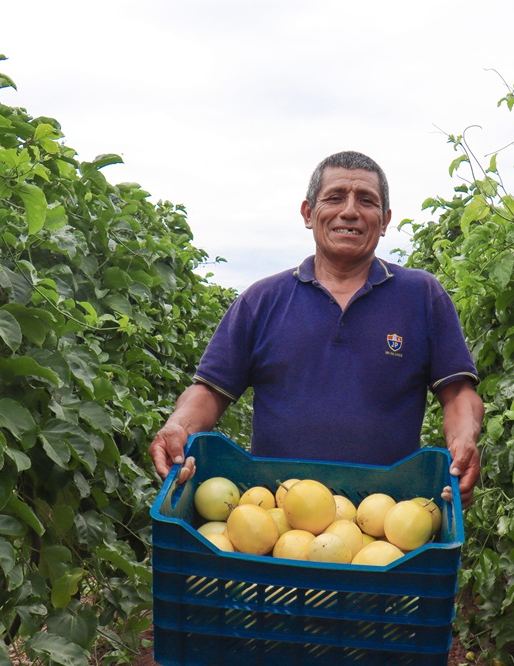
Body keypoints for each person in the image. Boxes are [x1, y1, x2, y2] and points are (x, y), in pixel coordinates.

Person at [148, 151, 485, 507]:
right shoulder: (262, 301)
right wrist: (180, 427)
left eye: (366, 201)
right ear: (309, 213)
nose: (350, 211)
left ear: (384, 220)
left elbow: (459, 394)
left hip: (390, 522)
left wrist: (464, 440)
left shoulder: (421, 296)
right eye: (335, 197)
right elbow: (209, 392)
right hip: (276, 522)